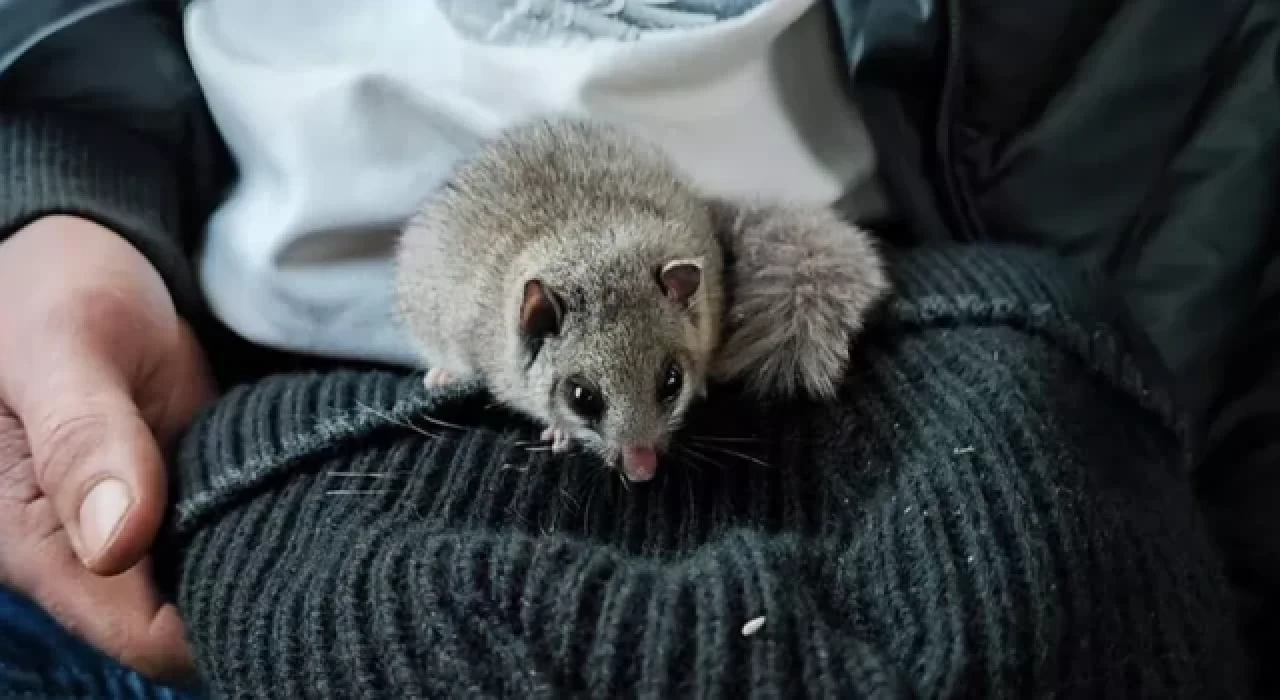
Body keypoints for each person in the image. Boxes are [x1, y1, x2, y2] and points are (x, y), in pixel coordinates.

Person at [0, 0, 1276, 697]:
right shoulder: (483, 321)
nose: (641, 451)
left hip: (928, 296)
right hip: (259, 342)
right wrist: (50, 193)